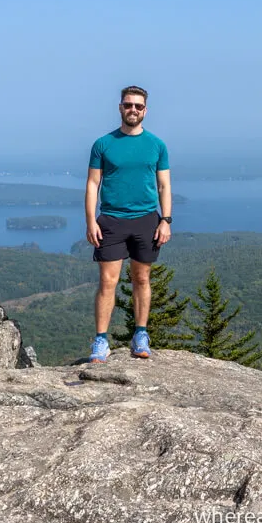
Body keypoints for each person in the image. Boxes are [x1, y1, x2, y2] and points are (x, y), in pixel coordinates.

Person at [85, 85, 172, 362]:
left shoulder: (157, 145)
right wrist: (90, 221)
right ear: (120, 107)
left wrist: (166, 220)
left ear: (145, 110)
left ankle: (141, 334)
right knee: (107, 282)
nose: (132, 109)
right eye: (127, 105)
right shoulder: (103, 144)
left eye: (137, 106)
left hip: (147, 219)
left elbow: (164, 186)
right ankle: (100, 341)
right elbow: (92, 183)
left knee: (142, 278)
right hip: (111, 220)